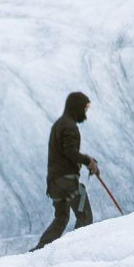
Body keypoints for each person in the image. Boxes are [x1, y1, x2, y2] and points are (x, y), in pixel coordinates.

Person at [34, 91, 101, 249]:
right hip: (66, 181)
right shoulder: (69, 126)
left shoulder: (59, 124)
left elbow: (67, 152)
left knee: (61, 218)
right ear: (76, 108)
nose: (85, 113)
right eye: (84, 109)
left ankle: (40, 250)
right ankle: (76, 250)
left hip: (54, 183)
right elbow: (70, 152)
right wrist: (88, 161)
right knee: (84, 215)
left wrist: (88, 161)